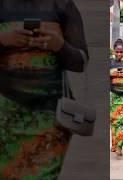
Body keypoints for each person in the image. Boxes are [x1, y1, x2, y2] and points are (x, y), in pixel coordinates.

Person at [0, 0, 88, 178]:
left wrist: (59, 45)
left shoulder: (62, 5)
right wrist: (3, 39)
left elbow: (81, 62)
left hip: (49, 122)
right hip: (4, 118)